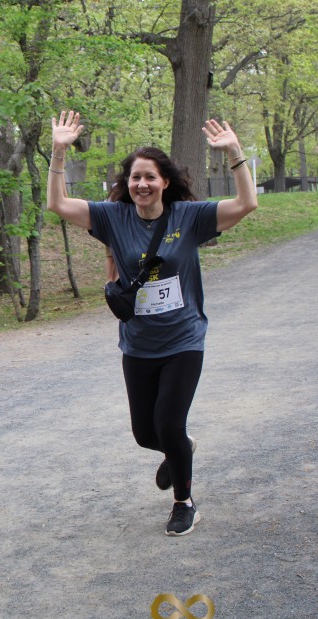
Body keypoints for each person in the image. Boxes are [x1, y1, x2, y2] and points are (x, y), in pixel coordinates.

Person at [46, 111, 257, 537]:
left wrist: (235, 153)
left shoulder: (189, 217)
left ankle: (184, 503)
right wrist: (58, 151)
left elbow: (246, 204)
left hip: (183, 340)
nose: (141, 184)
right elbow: (58, 204)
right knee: (145, 434)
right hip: (138, 343)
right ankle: (181, 449)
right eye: (135, 177)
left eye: (149, 177)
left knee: (169, 424)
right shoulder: (113, 217)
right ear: (127, 184)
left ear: (164, 182)